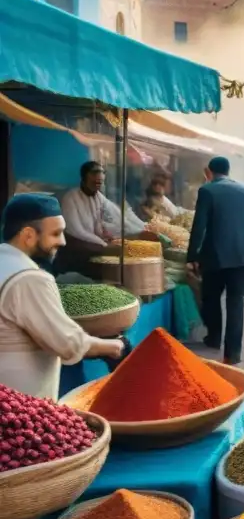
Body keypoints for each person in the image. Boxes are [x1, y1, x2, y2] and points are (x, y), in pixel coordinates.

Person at [0, 194, 125, 399]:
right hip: (20, 408)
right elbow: (68, 343)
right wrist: (115, 347)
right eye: (56, 233)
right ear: (28, 235)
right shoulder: (29, 278)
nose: (63, 241)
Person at [187, 157, 244, 365]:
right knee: (235, 302)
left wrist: (192, 256)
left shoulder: (207, 190)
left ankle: (214, 337)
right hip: (242, 256)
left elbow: (199, 226)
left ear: (209, 171)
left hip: (215, 256)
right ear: (228, 171)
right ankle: (233, 352)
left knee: (211, 297)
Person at [61, 161, 147, 246]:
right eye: (94, 173)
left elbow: (119, 217)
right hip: (79, 247)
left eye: (102, 173)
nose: (100, 176)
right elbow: (77, 231)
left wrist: (141, 230)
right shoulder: (71, 198)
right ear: (84, 176)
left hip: (97, 244)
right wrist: (103, 244)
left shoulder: (98, 196)